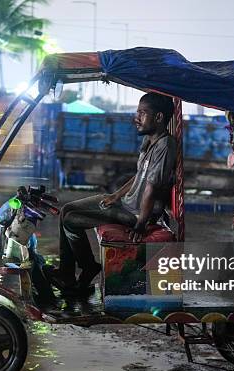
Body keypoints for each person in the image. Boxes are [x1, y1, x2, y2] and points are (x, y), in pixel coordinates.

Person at [54, 93, 177, 295]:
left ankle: (88, 267)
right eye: (137, 112)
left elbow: (152, 188)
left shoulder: (165, 145)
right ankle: (66, 273)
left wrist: (140, 224)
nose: (136, 118)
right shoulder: (149, 141)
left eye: (142, 113)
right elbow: (140, 176)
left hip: (134, 213)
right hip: (125, 203)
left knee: (71, 221)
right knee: (66, 209)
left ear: (159, 117)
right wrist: (116, 196)